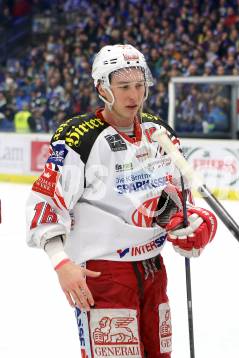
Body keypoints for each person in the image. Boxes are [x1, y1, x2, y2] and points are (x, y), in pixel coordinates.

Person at [25, 44, 217, 358]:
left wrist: (192, 224)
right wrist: (61, 263)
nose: (134, 96)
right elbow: (46, 203)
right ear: (103, 88)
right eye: (124, 87)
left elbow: (178, 198)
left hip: (153, 269)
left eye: (139, 86)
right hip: (103, 273)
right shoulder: (80, 138)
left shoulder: (159, 132)